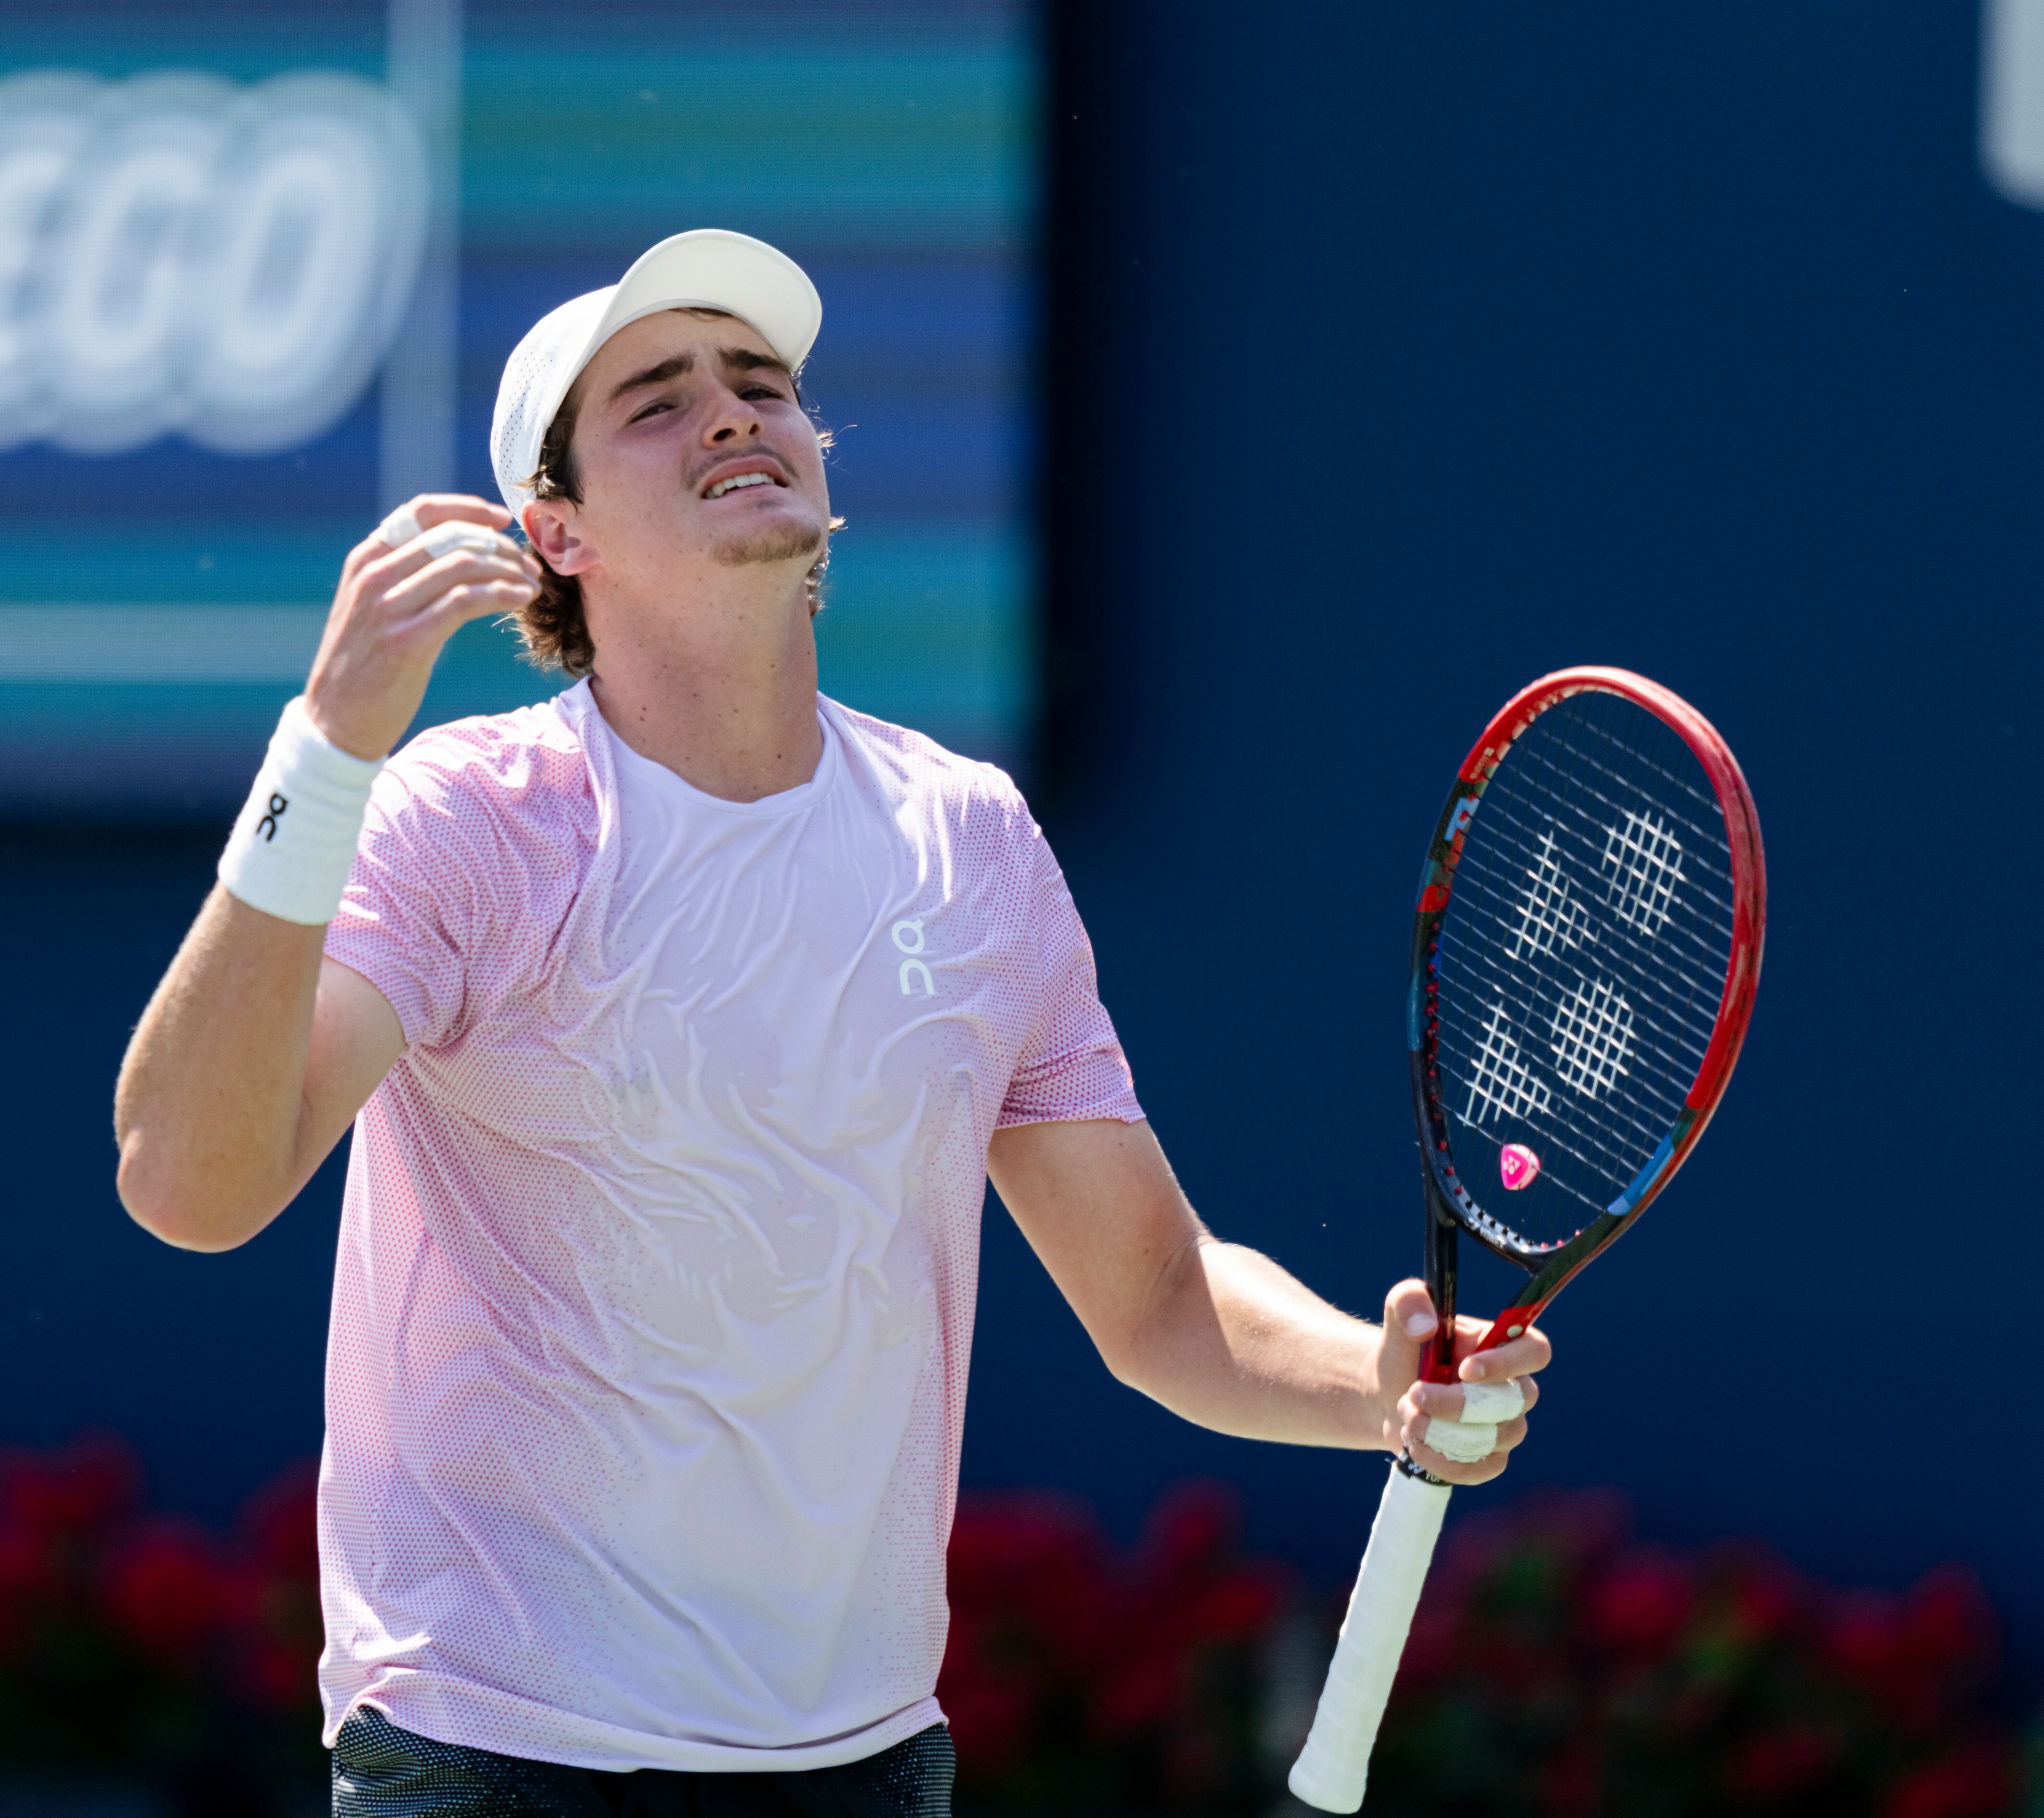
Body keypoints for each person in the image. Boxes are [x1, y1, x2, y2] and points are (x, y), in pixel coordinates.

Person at [111, 230, 1549, 1818]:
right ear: (555, 534)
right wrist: (326, 754)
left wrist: (1375, 1380)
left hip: (858, 1766)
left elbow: (1151, 1291)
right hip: (493, 1751)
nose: (731, 415)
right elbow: (192, 1180)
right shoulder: (472, 820)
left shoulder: (971, 840)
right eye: (655, 400)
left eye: (761, 385)